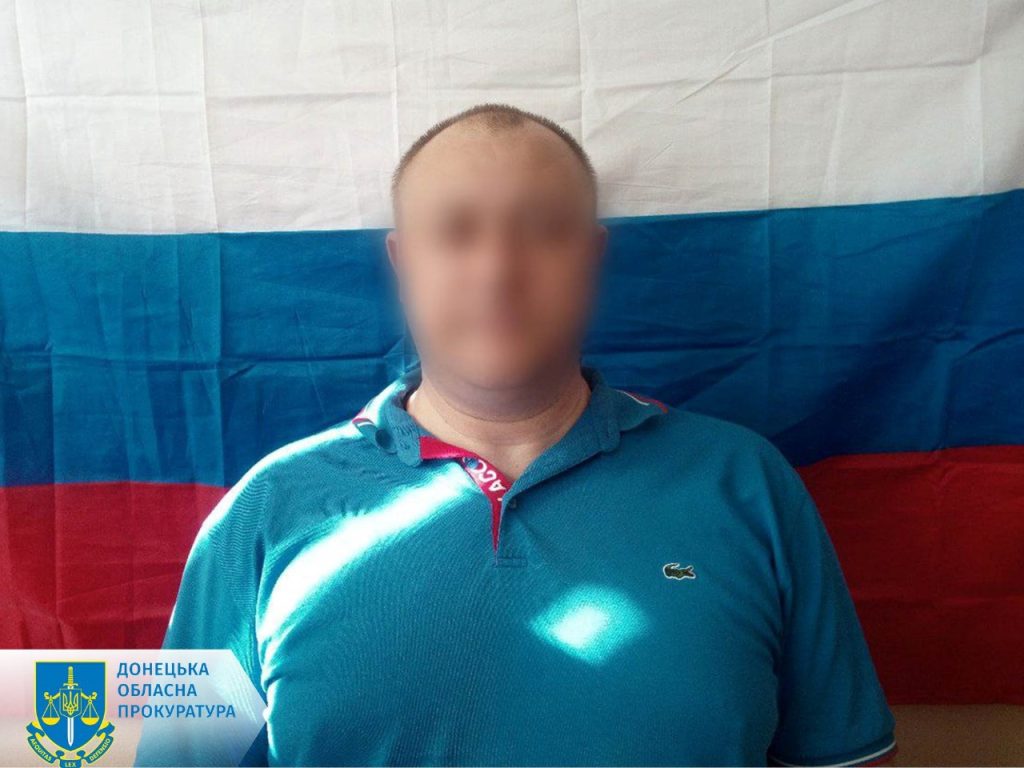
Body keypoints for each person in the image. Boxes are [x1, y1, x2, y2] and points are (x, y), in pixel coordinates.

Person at [141, 103, 897, 767]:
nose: (497, 268)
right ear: (404, 262)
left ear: (593, 258)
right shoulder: (265, 510)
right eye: (456, 232)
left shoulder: (746, 482)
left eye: (542, 230)